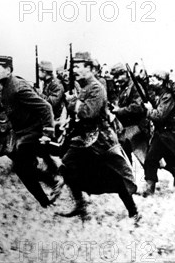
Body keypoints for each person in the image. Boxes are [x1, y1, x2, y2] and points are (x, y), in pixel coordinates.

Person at [0, 55, 61, 208]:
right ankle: (49, 192)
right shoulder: (4, 85)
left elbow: (46, 107)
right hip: (20, 131)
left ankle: (49, 194)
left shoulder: (17, 88)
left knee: (22, 167)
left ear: (8, 70)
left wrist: (48, 133)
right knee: (23, 167)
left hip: (32, 131)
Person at [57, 52, 139, 220]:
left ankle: (133, 212)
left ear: (89, 68)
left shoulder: (96, 88)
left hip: (101, 141)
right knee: (67, 166)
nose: (75, 71)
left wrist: (72, 102)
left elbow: (88, 113)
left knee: (115, 177)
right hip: (85, 139)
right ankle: (81, 205)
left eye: (79, 67)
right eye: (74, 67)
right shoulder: (84, 87)